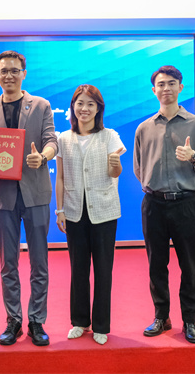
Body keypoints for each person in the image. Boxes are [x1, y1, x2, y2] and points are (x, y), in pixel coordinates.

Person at [133, 65, 195, 344]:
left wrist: (194, 157)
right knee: (156, 265)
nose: (166, 88)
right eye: (161, 84)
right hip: (154, 205)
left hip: (186, 205)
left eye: (171, 83)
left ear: (181, 87)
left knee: (190, 266)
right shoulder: (144, 128)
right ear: (153, 90)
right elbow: (138, 168)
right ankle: (161, 317)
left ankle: (190, 321)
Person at [0, 50, 58, 346]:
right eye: (4, 71)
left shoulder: (41, 105)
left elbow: (51, 140)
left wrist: (44, 157)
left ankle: (37, 320)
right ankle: (13, 320)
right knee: (7, 263)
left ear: (24, 74)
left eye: (14, 70)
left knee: (39, 262)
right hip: (4, 195)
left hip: (35, 191)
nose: (9, 76)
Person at [55, 84, 125, 346]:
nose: (84, 109)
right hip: (74, 211)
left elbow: (115, 173)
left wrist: (116, 166)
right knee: (78, 269)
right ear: (73, 107)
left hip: (104, 211)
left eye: (90, 104)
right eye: (80, 103)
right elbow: (60, 177)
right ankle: (80, 321)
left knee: (104, 269)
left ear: (99, 109)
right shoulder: (63, 138)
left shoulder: (110, 136)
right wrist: (60, 209)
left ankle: (101, 325)